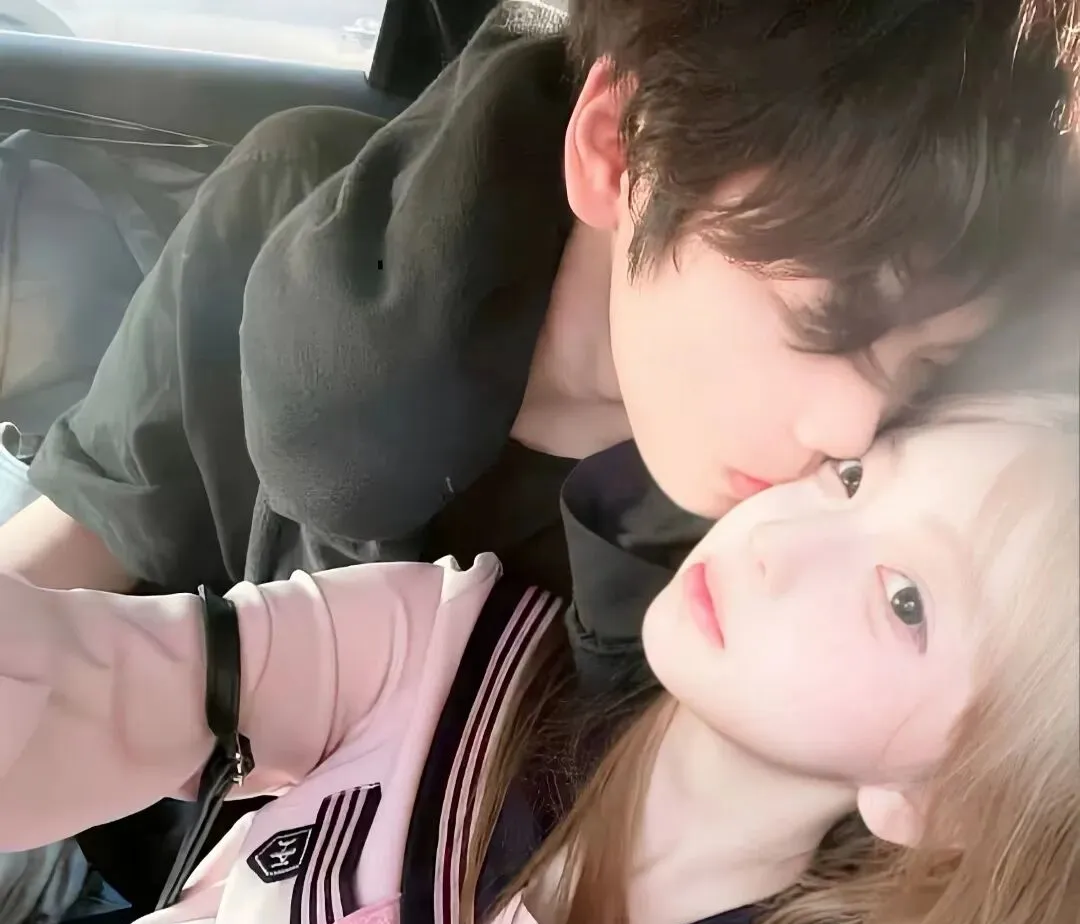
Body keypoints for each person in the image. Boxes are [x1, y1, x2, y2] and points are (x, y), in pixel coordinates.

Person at [0, 390, 1075, 924]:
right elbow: (97, 681)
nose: (777, 540)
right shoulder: (445, 645)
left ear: (949, 797)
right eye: (851, 477)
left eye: (905, 600)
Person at [0, 0, 1076, 617]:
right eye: (827, 321)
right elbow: (93, 522)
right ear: (616, 150)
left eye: (921, 366)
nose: (855, 429)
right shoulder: (300, 199)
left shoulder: (801, 553)